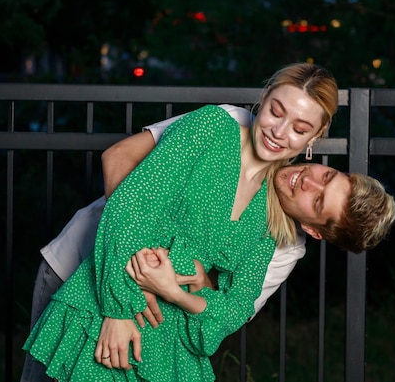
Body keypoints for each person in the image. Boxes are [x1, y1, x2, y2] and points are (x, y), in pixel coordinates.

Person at [23, 63, 350, 382]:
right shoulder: (212, 127)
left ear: (315, 136)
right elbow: (133, 205)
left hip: (168, 333)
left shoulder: (274, 209)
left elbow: (234, 309)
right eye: (276, 112)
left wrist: (174, 289)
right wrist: (118, 309)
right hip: (106, 293)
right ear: (263, 98)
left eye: (299, 128)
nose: (279, 132)